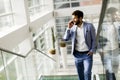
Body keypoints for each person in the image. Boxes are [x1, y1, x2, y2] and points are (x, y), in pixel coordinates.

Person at [63, 10, 96, 80]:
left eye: (75, 18)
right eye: (73, 18)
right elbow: (65, 38)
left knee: (87, 72)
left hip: (87, 54)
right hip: (77, 55)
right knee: (80, 74)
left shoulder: (89, 26)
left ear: (80, 18)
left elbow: (94, 39)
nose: (73, 20)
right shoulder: (72, 28)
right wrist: (68, 28)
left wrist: (92, 50)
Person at [97, 7, 120, 80]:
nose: (116, 16)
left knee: (114, 72)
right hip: (107, 52)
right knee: (110, 72)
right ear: (109, 15)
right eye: (115, 14)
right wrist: (101, 51)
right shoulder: (103, 26)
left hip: (115, 51)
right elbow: (98, 39)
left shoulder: (117, 25)